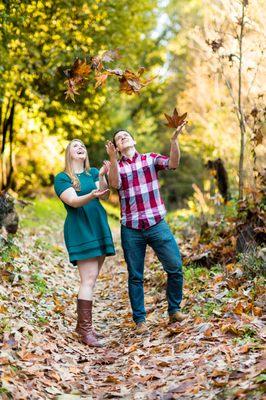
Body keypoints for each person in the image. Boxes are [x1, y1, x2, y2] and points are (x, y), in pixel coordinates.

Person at [106, 125, 186, 332]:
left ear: (134, 141)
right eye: (118, 138)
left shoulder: (150, 159)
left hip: (157, 224)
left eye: (125, 135)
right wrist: (113, 160)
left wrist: (174, 141)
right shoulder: (117, 166)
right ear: (116, 147)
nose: (122, 137)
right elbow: (114, 184)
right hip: (131, 229)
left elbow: (173, 163)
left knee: (175, 267)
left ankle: (174, 310)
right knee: (135, 276)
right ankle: (140, 320)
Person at [54, 139, 115, 346]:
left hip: (98, 225)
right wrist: (92, 194)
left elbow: (105, 195)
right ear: (69, 153)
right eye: (75, 146)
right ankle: (86, 331)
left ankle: (82, 326)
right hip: (81, 228)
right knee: (87, 279)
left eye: (82, 146)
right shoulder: (63, 178)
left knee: (92, 279)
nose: (80, 148)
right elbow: (73, 201)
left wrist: (102, 177)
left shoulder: (93, 172)